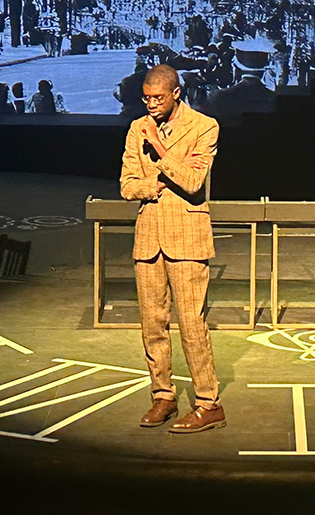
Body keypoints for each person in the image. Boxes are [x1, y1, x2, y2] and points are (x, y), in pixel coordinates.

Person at [121, 65, 224, 434]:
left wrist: (161, 150)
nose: (150, 104)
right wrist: (155, 185)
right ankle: (162, 396)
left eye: (158, 98)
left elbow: (194, 182)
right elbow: (127, 186)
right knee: (152, 324)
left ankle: (208, 403)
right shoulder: (136, 129)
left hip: (187, 238)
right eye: (146, 98)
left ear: (176, 93)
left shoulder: (203, 126)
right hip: (149, 238)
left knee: (192, 325)